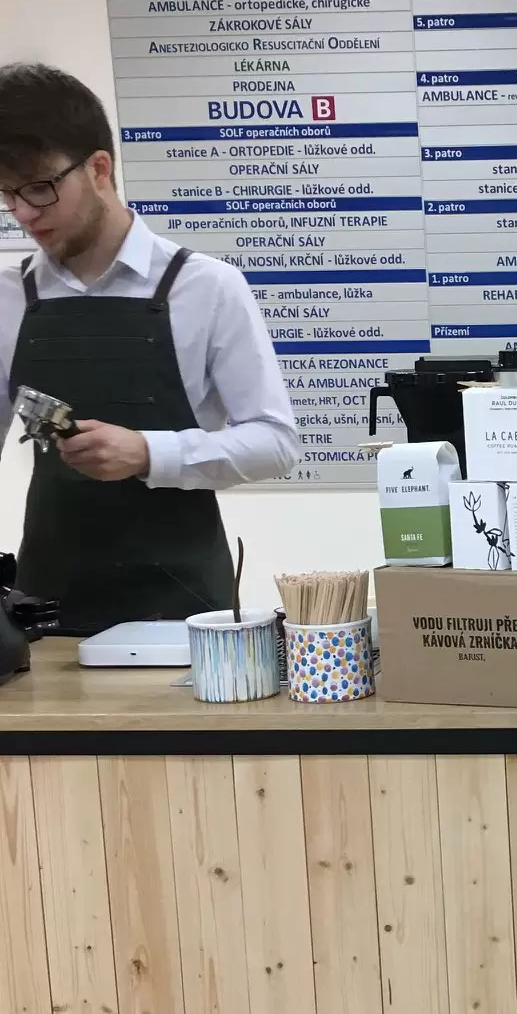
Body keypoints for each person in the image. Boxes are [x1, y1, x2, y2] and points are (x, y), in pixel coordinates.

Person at [0, 63, 301, 634]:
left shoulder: (207, 287)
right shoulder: (8, 298)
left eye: (39, 187)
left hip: (188, 618)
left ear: (99, 168)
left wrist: (148, 453)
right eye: (7, 194)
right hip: (47, 614)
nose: (24, 213)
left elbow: (276, 443)